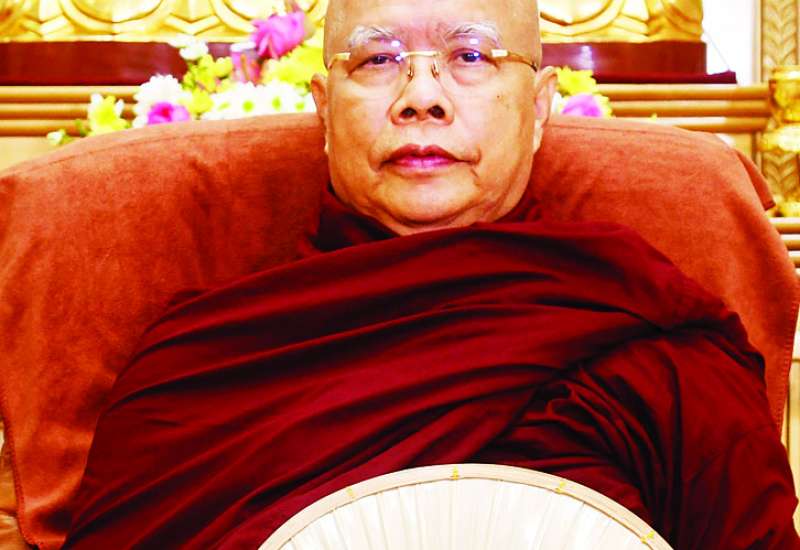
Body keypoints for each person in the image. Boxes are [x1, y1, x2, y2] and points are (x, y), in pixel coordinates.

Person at [63, 0, 800, 548]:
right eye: (377, 60)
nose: (422, 97)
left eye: (471, 55)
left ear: (540, 108)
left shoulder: (657, 358)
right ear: (324, 110)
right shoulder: (204, 368)